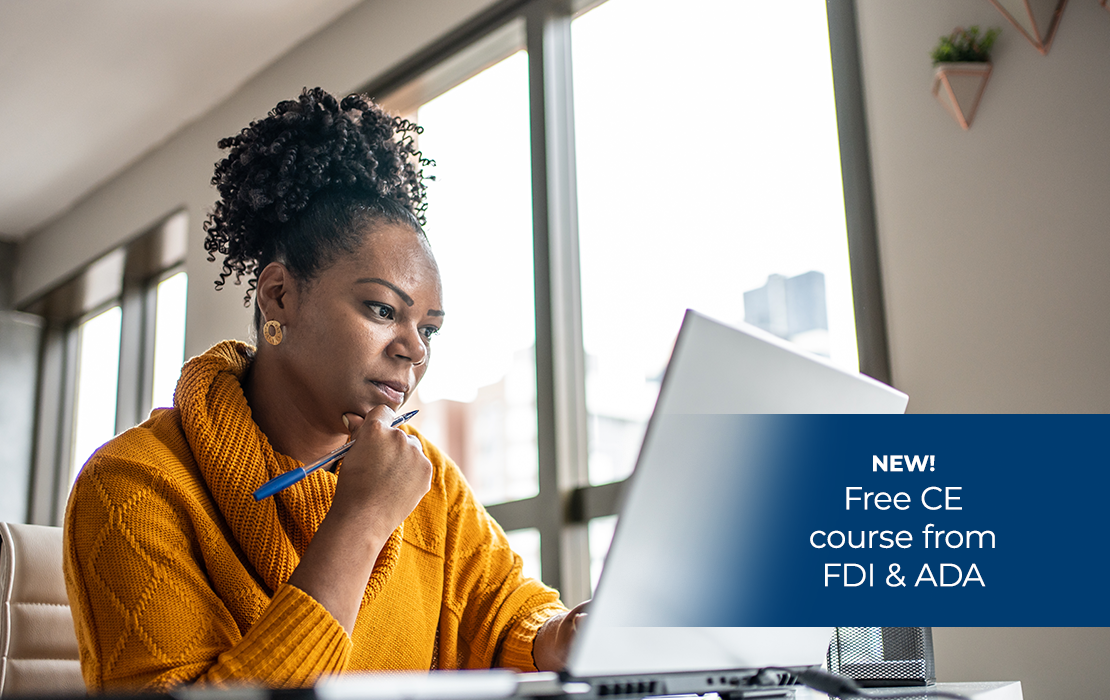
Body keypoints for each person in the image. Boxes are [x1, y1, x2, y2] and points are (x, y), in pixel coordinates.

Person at [62, 87, 586, 692]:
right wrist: (360, 521)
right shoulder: (133, 486)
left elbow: (505, 613)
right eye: (383, 309)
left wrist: (559, 634)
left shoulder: (428, 482)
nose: (414, 349)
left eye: (430, 330)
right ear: (279, 295)